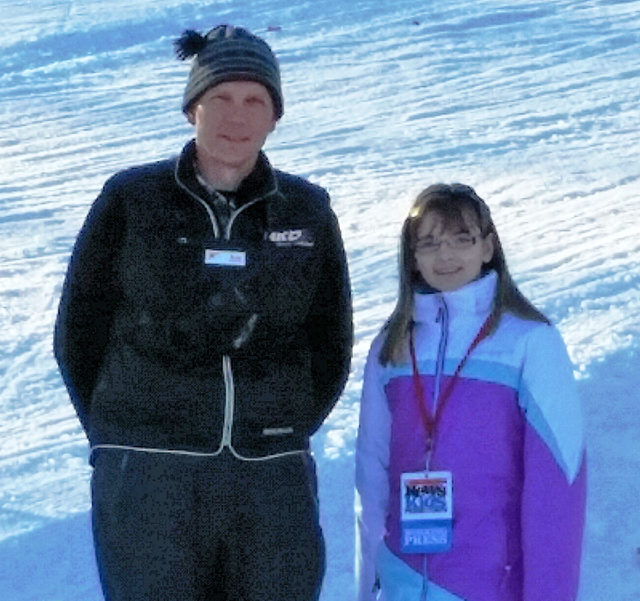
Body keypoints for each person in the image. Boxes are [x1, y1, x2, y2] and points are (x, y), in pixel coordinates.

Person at [54, 25, 353, 601]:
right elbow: (79, 331)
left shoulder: (307, 210)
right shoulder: (131, 199)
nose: (236, 116)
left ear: (274, 117)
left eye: (254, 101)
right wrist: (122, 434)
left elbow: (330, 340)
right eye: (221, 98)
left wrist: (282, 421)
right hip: (148, 471)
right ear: (192, 108)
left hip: (271, 470)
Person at [355, 184, 586, 601]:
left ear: (488, 247)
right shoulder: (391, 346)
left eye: (462, 239)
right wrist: (367, 581)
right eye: (429, 242)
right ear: (412, 257)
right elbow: (371, 471)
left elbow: (556, 490)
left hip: (489, 584)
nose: (445, 255)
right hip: (402, 581)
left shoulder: (528, 342)